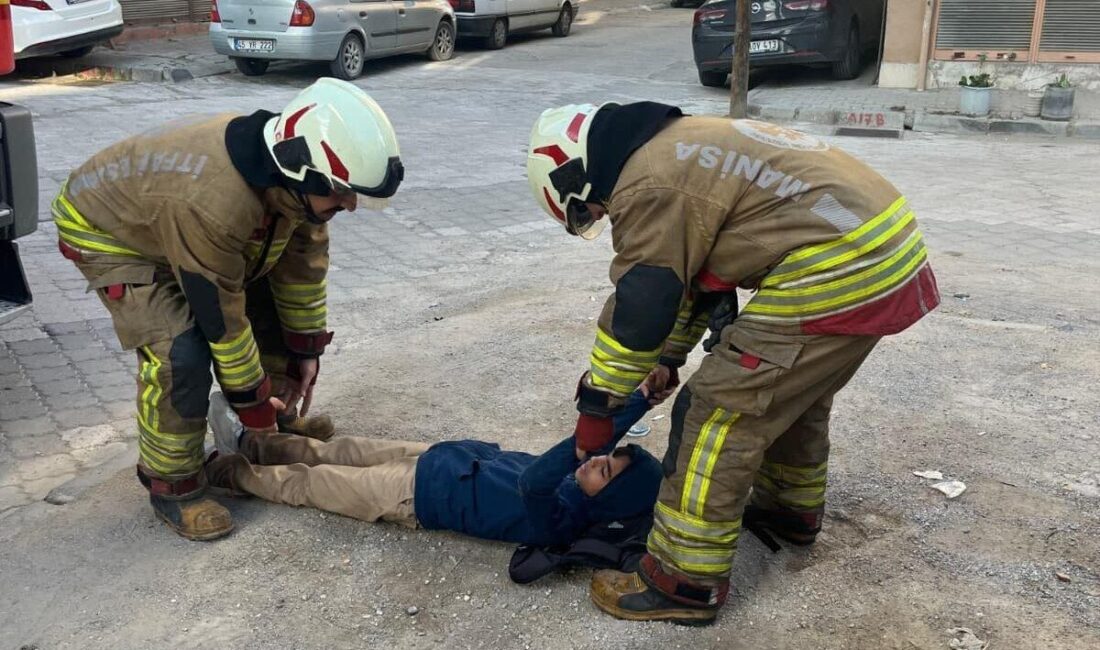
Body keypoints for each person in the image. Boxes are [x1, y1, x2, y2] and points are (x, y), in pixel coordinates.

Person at [525, 103, 940, 624]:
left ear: (571, 171)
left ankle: (683, 581)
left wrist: (599, 404)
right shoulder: (676, 145)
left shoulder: (644, 182)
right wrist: (669, 357)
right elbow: (690, 280)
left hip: (839, 264)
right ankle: (788, 510)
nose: (602, 216)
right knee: (789, 393)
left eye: (588, 210)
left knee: (720, 411)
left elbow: (643, 303)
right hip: (879, 249)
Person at [51, 78, 405, 541]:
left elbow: (300, 271)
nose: (351, 205)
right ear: (302, 174)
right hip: (111, 234)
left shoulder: (290, 182)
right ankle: (173, 484)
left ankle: (272, 428)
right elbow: (221, 318)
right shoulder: (215, 203)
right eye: (342, 192)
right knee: (182, 351)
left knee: (270, 302)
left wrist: (305, 350)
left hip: (179, 223)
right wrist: (250, 406)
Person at [203, 391, 663, 546]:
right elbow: (590, 447)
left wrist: (590, 442)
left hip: (414, 496)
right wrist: (640, 401)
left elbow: (534, 479)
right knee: (336, 449)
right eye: (608, 455)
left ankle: (225, 471)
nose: (597, 460)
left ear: (604, 501)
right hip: (445, 458)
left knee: (312, 483)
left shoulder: (560, 521)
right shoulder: (578, 479)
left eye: (605, 471)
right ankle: (252, 441)